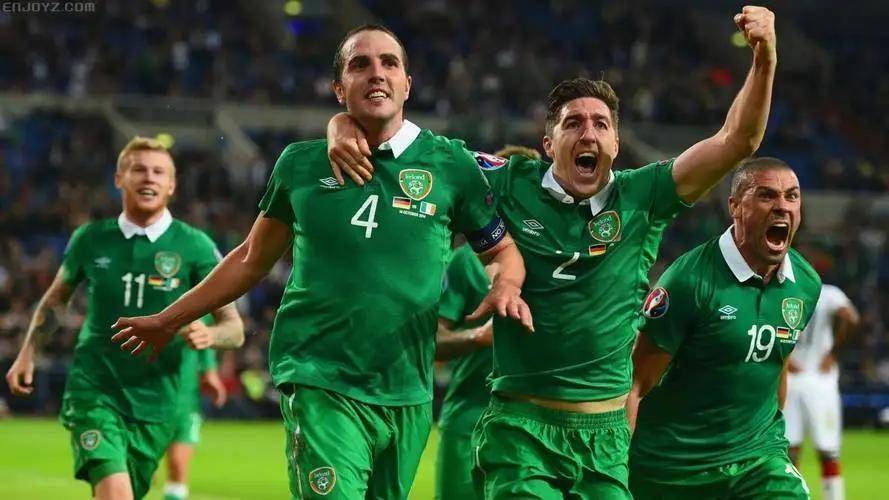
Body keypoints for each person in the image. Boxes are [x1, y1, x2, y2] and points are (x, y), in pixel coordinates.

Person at [326, 6, 777, 497]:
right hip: (522, 430)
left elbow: (738, 140)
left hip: (605, 437)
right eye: (573, 123)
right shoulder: (506, 180)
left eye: (601, 124)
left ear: (616, 142)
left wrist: (765, 59)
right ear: (548, 142)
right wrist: (343, 124)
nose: (588, 133)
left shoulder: (643, 196)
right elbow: (414, 152)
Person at [110, 25, 531, 500]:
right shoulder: (300, 164)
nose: (377, 73)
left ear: (408, 85)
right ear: (338, 89)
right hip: (319, 375)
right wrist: (168, 319)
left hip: (407, 389)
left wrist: (506, 283)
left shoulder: (452, 164)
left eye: (390, 63)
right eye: (360, 65)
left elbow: (502, 248)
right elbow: (250, 258)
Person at [4, 137, 244, 500]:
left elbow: (234, 328)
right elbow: (55, 301)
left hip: (158, 400)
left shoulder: (195, 246)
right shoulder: (90, 239)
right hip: (96, 388)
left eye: (159, 172)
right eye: (138, 169)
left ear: (172, 185)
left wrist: (212, 337)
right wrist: (27, 352)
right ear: (119, 179)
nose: (149, 178)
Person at [627, 157, 822, 499]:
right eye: (766, 195)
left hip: (757, 459)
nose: (782, 206)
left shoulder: (805, 283)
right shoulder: (689, 281)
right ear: (735, 206)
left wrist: (772, 439)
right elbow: (635, 383)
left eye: (792, 196)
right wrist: (615, 465)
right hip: (671, 469)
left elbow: (777, 362)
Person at [435, 145, 541, 500]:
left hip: (535, 425)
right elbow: (432, 343)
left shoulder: (559, 260)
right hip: (470, 419)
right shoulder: (465, 262)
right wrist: (477, 337)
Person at [785, 284, 860, 500]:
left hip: (791, 379)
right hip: (820, 380)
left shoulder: (784, 289)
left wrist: (784, 358)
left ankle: (791, 496)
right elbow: (852, 318)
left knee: (790, 452)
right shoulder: (829, 293)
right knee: (828, 452)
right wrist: (833, 354)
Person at [163, 347, 227, 500]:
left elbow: (206, 342)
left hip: (186, 404)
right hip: (148, 403)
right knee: (143, 471)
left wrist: (210, 373)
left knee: (178, 463)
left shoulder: (198, 330)